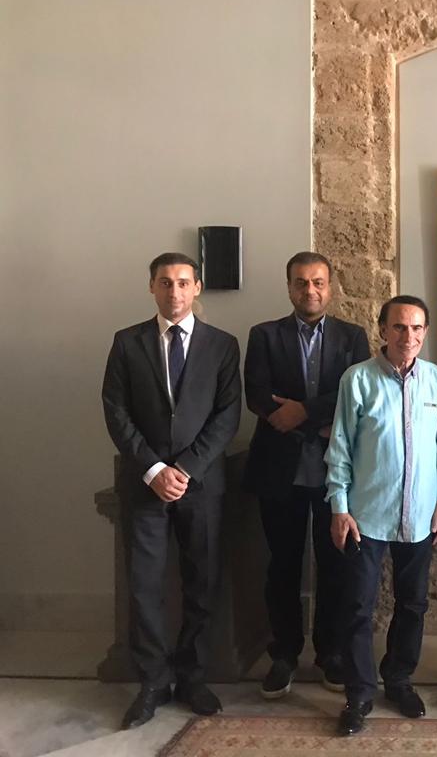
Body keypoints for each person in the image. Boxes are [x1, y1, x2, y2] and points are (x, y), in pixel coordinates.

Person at [101, 252, 241, 729]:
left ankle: (192, 677)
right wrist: (155, 469)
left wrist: (185, 468)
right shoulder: (127, 343)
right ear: (152, 288)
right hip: (145, 486)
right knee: (144, 587)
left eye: (183, 282)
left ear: (197, 287)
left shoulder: (223, 345)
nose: (174, 291)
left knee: (202, 583)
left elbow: (227, 416)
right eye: (165, 282)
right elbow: (115, 411)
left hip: (200, 486)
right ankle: (153, 681)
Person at [242, 251, 370, 698]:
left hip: (337, 472)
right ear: (289, 287)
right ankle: (284, 653)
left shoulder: (353, 337)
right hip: (280, 470)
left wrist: (304, 411)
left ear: (330, 287)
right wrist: (307, 419)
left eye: (317, 282)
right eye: (301, 282)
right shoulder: (264, 335)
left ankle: (330, 653)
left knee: (335, 564)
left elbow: (356, 393)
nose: (309, 290)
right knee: (282, 566)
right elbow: (257, 393)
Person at [325, 295, 437, 736]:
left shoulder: (435, 379)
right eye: (399, 327)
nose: (408, 336)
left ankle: (399, 680)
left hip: (420, 516)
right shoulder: (357, 379)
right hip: (367, 517)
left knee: (413, 604)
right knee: (358, 607)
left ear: (425, 333)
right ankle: (359, 693)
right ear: (382, 330)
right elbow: (340, 448)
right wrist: (339, 508)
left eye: (417, 328)